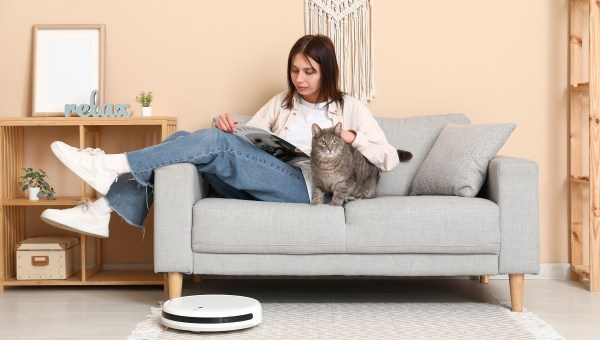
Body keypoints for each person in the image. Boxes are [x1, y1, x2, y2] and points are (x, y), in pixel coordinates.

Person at [40, 34, 400, 238]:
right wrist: (232, 130)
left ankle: (107, 166)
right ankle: (103, 209)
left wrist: (352, 138)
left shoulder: (348, 107)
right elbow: (252, 138)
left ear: (327, 71)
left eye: (309, 71)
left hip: (302, 186)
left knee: (209, 144)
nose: (300, 79)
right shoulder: (282, 102)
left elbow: (389, 157)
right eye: (294, 70)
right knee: (186, 138)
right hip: (263, 176)